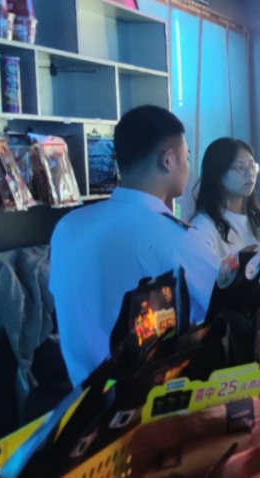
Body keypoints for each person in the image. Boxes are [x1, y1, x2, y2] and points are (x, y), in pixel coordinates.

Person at [50, 105, 218, 386]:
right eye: (187, 156)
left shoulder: (68, 227)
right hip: (152, 400)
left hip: (83, 399)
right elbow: (223, 304)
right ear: (169, 160)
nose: (188, 167)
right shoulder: (175, 236)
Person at [191, 137, 260, 259]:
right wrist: (240, 261)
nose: (250, 173)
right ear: (218, 173)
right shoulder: (204, 226)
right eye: (239, 168)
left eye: (252, 166)